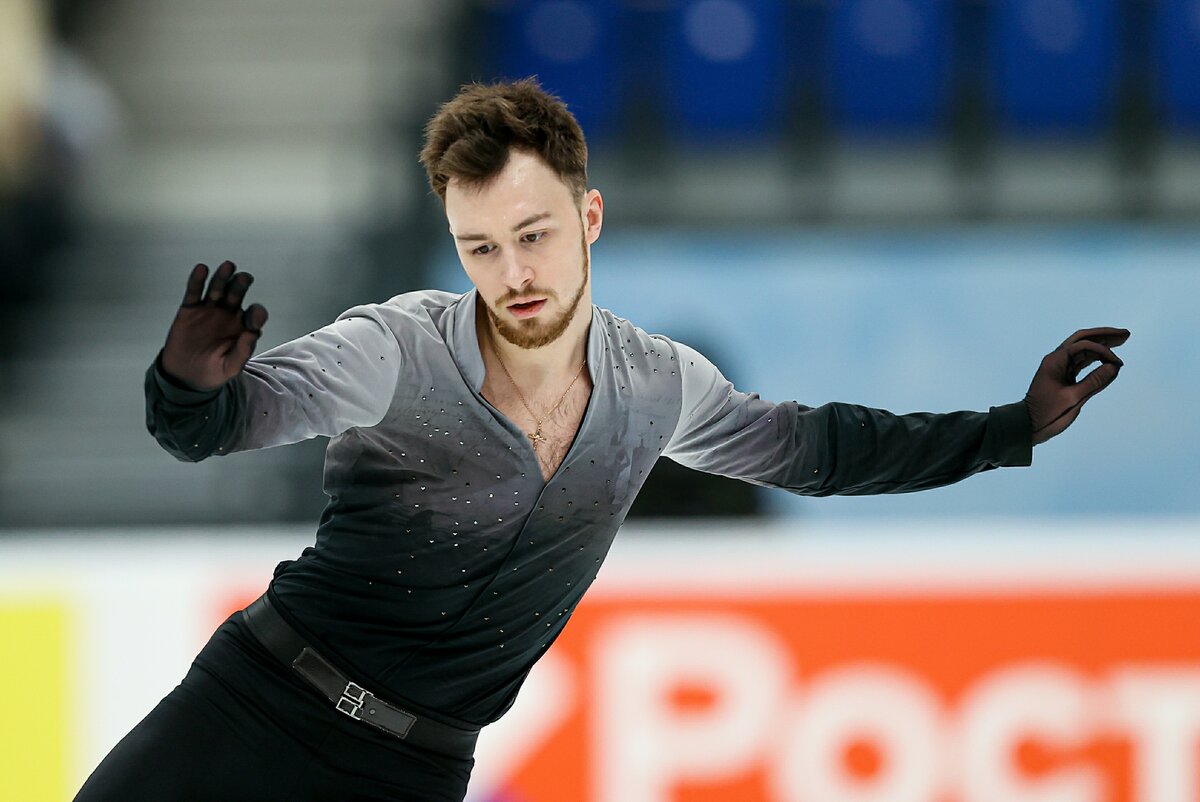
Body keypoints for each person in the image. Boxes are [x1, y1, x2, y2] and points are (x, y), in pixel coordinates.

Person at [75, 78, 1128, 802]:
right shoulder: (395, 349)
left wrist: (1011, 426)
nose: (512, 274)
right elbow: (221, 425)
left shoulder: (658, 387)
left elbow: (819, 451)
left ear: (589, 218)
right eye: (480, 247)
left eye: (533, 235)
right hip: (255, 712)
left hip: (414, 774)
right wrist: (187, 386)